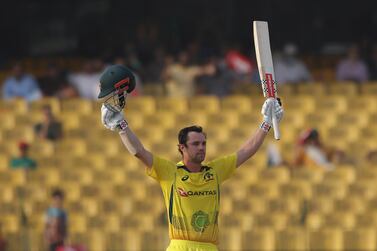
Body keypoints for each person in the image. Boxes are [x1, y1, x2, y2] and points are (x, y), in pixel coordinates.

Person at [98, 65, 284, 251]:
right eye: (196, 144)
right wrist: (122, 127)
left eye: (203, 143)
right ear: (182, 148)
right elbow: (139, 151)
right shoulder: (170, 172)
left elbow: (248, 150)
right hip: (180, 247)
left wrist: (266, 123)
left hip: (209, 247)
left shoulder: (215, 171)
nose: (201, 148)